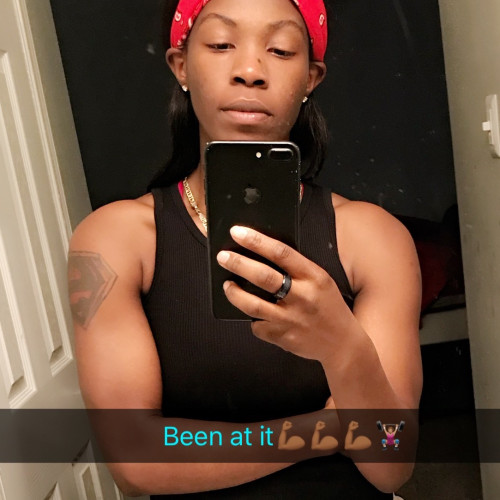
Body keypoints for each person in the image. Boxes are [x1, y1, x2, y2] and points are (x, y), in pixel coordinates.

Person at [67, 0, 423, 497]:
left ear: (311, 77)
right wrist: (323, 430)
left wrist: (343, 346)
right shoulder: (115, 241)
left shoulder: (374, 238)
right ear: (181, 65)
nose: (250, 70)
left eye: (280, 49)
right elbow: (135, 461)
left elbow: (392, 463)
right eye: (221, 44)